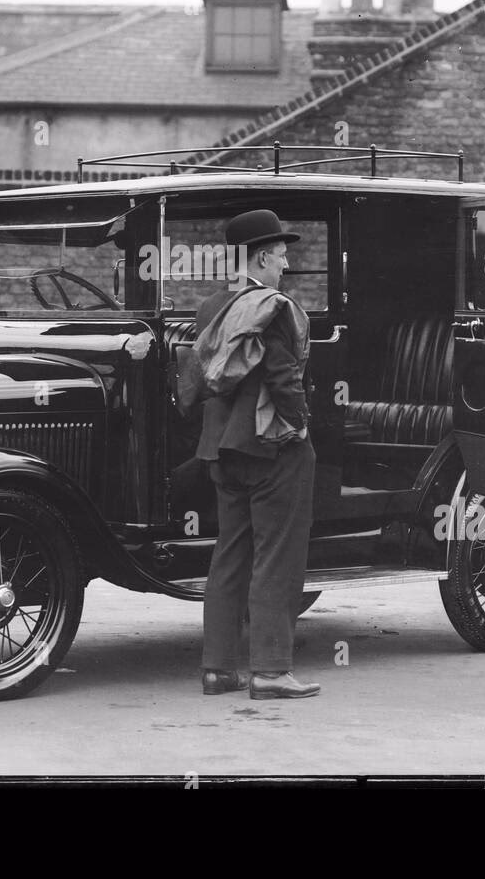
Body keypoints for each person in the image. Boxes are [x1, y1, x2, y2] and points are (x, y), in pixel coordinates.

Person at [190, 210, 319, 700]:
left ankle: (218, 670)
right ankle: (269, 670)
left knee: (230, 553)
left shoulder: (211, 307)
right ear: (263, 257)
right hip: (271, 448)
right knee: (277, 556)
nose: (285, 266)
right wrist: (302, 425)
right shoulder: (274, 307)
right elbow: (284, 379)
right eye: (282, 255)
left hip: (221, 451)